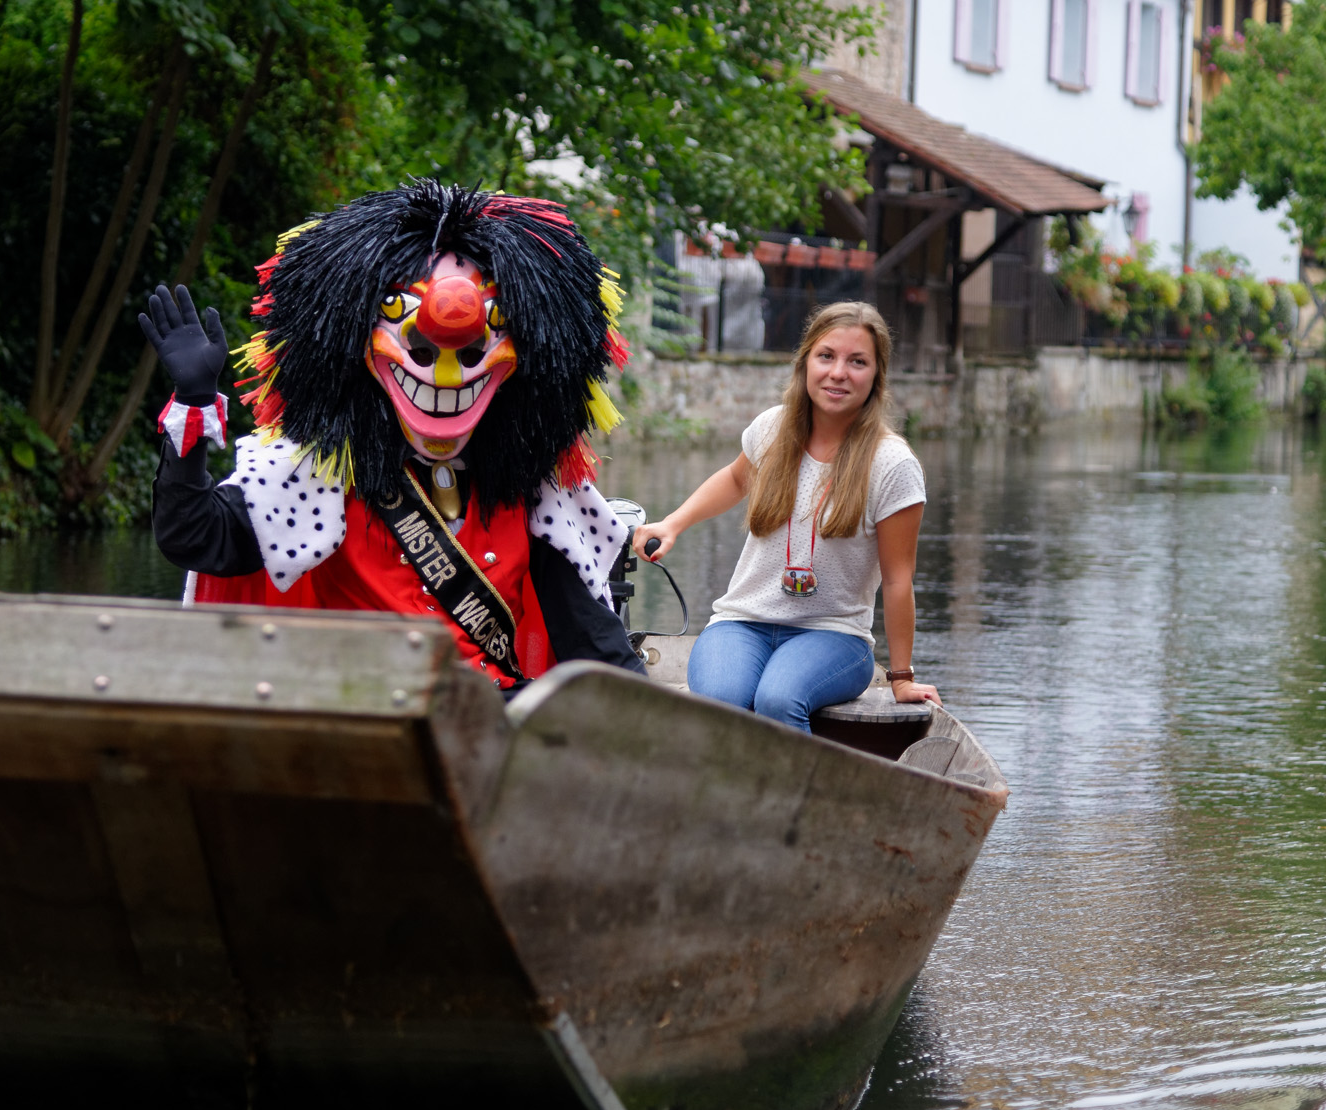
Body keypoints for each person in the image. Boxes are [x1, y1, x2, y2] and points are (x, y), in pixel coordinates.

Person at [140, 181, 645, 689]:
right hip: (366, 723)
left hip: (490, 725)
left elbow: (595, 640)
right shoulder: (316, 473)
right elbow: (194, 536)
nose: (448, 368)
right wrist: (195, 403)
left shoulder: (531, 490)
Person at [631, 302, 939, 730]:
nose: (838, 373)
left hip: (835, 635)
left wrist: (902, 677)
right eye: (826, 356)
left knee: (778, 699)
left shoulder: (893, 464)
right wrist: (672, 523)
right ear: (806, 362)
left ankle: (795, 797)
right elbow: (736, 480)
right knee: (720, 702)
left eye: (857, 362)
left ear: (876, 375)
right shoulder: (774, 429)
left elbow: (899, 579)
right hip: (744, 622)